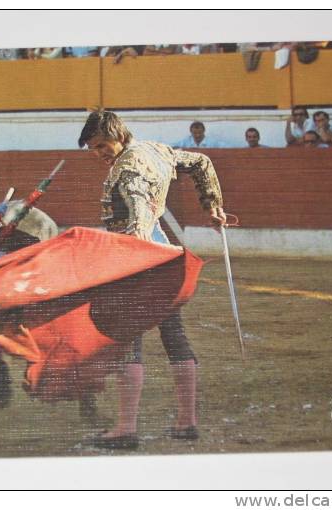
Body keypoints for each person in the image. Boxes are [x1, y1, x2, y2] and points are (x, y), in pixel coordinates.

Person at [77, 110, 226, 449]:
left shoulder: (128, 170)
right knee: (174, 335)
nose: (99, 153)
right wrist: (213, 205)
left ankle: (125, 428)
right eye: (93, 149)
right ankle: (187, 422)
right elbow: (201, 163)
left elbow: (140, 215)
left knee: (128, 343)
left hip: (138, 259)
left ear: (119, 134)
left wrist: (129, 264)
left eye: (103, 145)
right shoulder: (156, 150)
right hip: (165, 256)